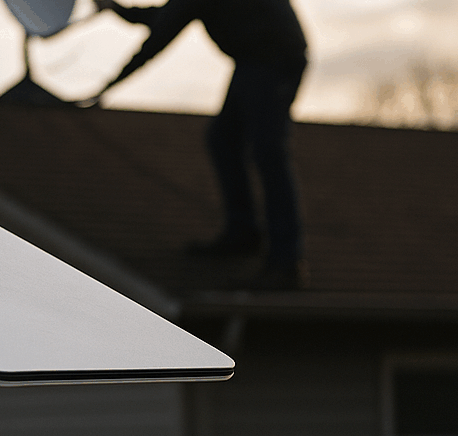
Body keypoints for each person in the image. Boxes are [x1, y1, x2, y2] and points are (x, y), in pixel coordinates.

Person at [90, 0, 309, 289]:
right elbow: (166, 16)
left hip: (274, 59)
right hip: (255, 60)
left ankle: (286, 262)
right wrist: (117, 10)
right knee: (223, 140)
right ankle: (242, 233)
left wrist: (106, 86)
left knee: (268, 151)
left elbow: (161, 34)